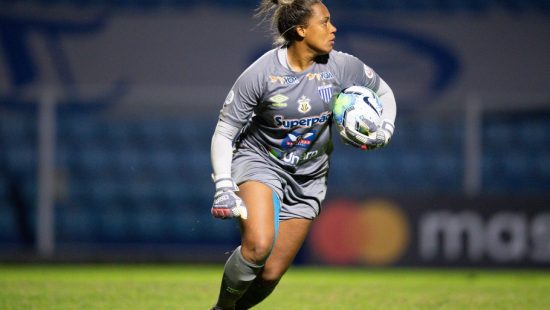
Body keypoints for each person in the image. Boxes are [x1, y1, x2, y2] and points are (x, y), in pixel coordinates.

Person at [209, 0, 396, 308]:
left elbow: (384, 92)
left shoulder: (341, 65)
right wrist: (224, 186)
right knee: (258, 246)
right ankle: (221, 308)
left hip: (309, 177)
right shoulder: (261, 75)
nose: (333, 28)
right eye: (325, 22)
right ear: (300, 30)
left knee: (269, 273)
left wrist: (385, 128)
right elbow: (225, 131)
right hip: (260, 163)